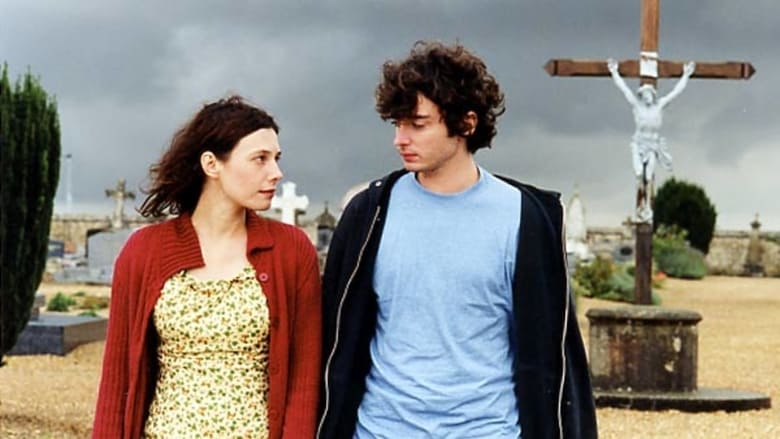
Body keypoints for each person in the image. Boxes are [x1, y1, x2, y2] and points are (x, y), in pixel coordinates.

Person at [318, 41, 597, 439]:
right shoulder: (368, 213)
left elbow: (553, 358)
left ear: (466, 124)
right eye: (397, 124)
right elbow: (335, 343)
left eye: (417, 124)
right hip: (381, 430)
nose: (400, 139)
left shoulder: (527, 218)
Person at [92, 96, 321, 438]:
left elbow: (304, 382)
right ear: (212, 164)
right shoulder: (144, 252)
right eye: (260, 158)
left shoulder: (291, 251)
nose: (276, 172)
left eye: (276, 158)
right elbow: (117, 377)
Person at [607, 58, 695, 221]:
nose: (647, 96)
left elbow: (675, 93)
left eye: (649, 93)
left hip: (652, 146)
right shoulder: (637, 106)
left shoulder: (659, 106)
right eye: (644, 94)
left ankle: (647, 206)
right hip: (638, 144)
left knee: (648, 176)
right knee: (639, 174)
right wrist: (614, 73)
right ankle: (641, 205)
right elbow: (624, 90)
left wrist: (686, 75)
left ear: (653, 95)